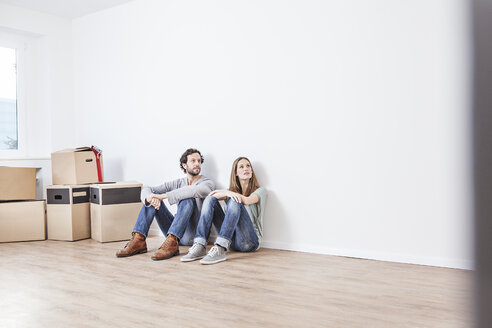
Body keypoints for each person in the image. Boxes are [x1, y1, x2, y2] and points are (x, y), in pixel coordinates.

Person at [116, 148, 215, 261]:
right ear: (184, 165)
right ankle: (139, 240)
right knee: (152, 199)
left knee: (187, 199)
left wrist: (162, 196)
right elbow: (147, 188)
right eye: (193, 161)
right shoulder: (178, 182)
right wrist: (150, 198)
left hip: (192, 237)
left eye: (199, 161)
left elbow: (195, 191)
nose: (197, 164)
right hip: (173, 233)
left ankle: (172, 242)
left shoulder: (207, 182)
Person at [181, 156, 267, 264]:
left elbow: (246, 200)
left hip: (249, 242)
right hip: (231, 243)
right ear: (236, 173)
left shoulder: (261, 191)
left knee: (236, 200)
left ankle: (220, 247)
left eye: (248, 166)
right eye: (241, 167)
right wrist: (227, 192)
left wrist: (228, 193)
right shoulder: (230, 193)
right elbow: (212, 195)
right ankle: (200, 244)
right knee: (210, 199)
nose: (246, 169)